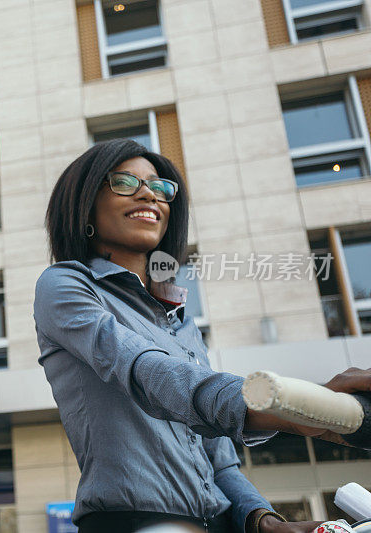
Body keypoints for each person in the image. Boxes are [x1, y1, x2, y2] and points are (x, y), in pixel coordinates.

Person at [34, 139, 369, 533]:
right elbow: (147, 371)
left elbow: (218, 460)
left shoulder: (180, 321)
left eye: (161, 188)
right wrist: (295, 405)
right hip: (133, 523)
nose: (149, 194)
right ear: (84, 203)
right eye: (125, 182)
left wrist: (265, 521)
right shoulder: (65, 284)